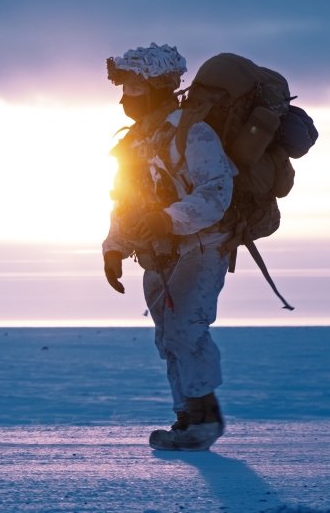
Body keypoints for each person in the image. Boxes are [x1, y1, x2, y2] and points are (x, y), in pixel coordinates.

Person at [102, 43, 237, 451]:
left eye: (135, 89)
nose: (126, 98)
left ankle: (205, 419)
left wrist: (168, 218)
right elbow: (127, 201)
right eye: (124, 89)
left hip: (202, 246)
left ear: (160, 87)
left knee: (185, 329)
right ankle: (186, 419)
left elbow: (217, 192)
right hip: (159, 255)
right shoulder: (136, 143)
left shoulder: (191, 132)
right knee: (168, 336)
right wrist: (113, 247)